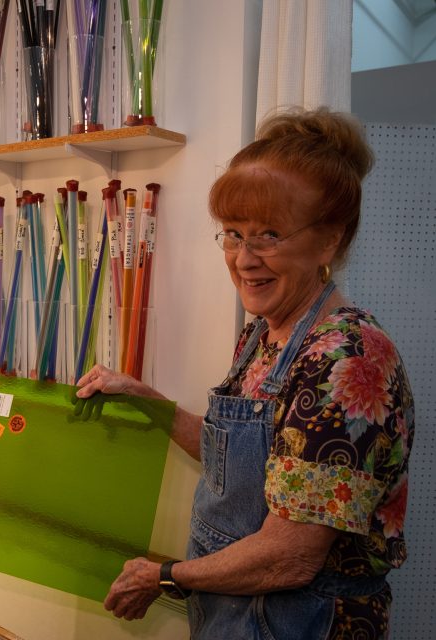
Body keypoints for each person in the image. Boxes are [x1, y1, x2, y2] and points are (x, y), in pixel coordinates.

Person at [75, 107, 415, 639]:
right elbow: (233, 458)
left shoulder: (347, 361)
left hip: (301, 621)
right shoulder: (264, 333)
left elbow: (290, 557)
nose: (243, 258)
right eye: (233, 234)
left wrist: (164, 576)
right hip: (236, 613)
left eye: (270, 235)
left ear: (329, 240)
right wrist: (143, 397)